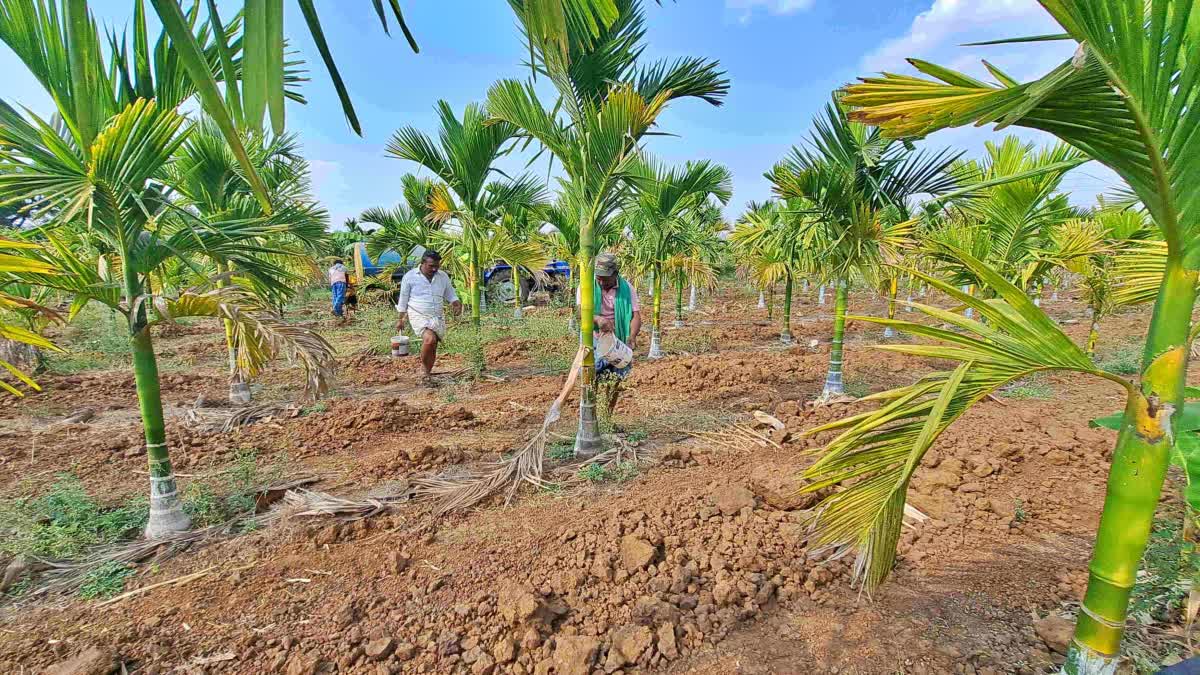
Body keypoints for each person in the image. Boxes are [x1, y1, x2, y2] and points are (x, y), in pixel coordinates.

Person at [585, 252, 642, 416]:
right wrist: (597, 319)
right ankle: (591, 417)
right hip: (594, 337)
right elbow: (579, 313)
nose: (601, 281)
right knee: (591, 376)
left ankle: (607, 416)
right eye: (598, 277)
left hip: (617, 340)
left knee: (616, 378)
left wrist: (632, 336)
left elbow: (636, 316)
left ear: (615, 274)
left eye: (605, 278)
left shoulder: (627, 288)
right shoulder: (587, 285)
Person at [396, 250, 462, 384]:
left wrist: (456, 303)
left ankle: (427, 373)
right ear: (422, 263)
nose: (434, 269)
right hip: (418, 314)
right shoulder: (410, 277)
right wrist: (401, 319)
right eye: (431, 266)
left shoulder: (442, 276)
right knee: (429, 339)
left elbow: (450, 293)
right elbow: (403, 299)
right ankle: (424, 373)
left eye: (437, 266)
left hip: (437, 316)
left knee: (433, 345)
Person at [328, 259, 348, 324]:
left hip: (333, 283)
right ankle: (335, 308)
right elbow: (347, 277)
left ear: (335, 263)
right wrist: (347, 285)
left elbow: (329, 278)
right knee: (340, 296)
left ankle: (339, 314)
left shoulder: (331, 269)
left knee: (335, 297)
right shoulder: (343, 267)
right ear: (341, 263)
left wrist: (331, 285)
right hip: (341, 282)